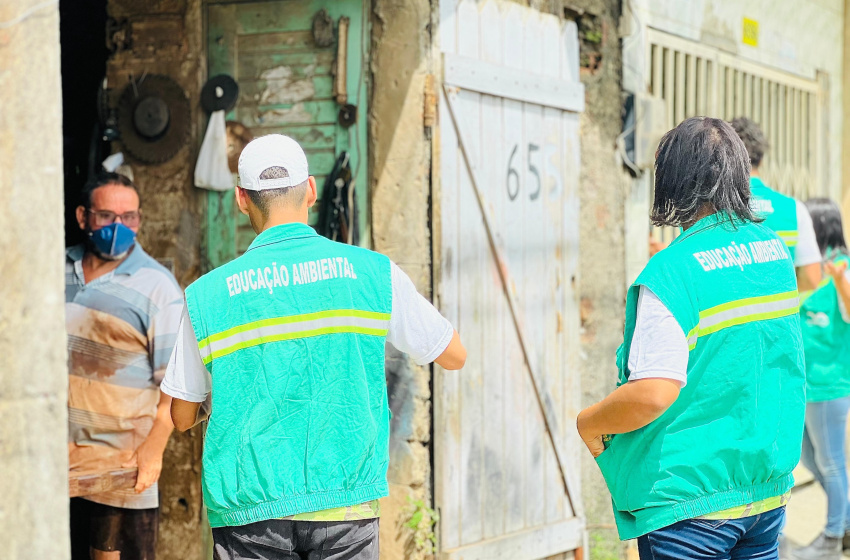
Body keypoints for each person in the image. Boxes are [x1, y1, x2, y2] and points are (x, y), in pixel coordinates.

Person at [161, 134, 466, 560]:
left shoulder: (207, 295)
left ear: (241, 200)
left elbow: (180, 416)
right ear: (311, 190)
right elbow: (453, 355)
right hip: (344, 503)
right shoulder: (373, 273)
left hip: (249, 511)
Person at [577, 117, 806, 560]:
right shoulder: (774, 253)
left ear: (674, 180)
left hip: (690, 502)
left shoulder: (672, 271)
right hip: (764, 494)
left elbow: (653, 392)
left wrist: (590, 422)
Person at [67, 172, 183, 560]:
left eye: (129, 217)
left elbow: (177, 387)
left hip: (121, 473)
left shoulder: (158, 287)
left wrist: (154, 450)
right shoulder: (51, 271)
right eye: (106, 216)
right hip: (54, 468)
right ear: (83, 217)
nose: (119, 227)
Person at [789, 199, 850, 560]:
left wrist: (840, 279)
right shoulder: (809, 272)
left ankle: (831, 537)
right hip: (805, 387)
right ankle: (843, 522)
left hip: (829, 387)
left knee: (830, 464)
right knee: (810, 459)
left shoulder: (841, 268)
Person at [730, 117, 822, 291]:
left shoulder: (713, 208)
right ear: (762, 159)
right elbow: (812, 278)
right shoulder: (795, 209)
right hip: (781, 315)